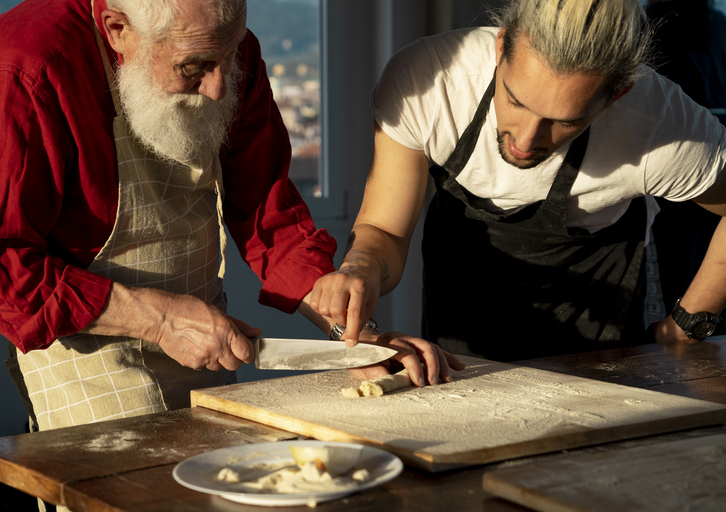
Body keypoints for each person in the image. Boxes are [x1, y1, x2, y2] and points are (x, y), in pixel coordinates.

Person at [0, 0, 459, 433]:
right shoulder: (23, 69)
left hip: (203, 342)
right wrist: (158, 319)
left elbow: (267, 213)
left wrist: (355, 339)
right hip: (86, 364)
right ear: (118, 30)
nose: (221, 87)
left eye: (230, 54)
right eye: (194, 67)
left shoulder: (220, 46)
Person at [308, 0, 726, 362]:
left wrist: (688, 324)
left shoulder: (657, 124)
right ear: (501, 45)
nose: (526, 140)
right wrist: (360, 268)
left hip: (602, 357)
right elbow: (384, 229)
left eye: (564, 121)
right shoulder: (430, 82)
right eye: (515, 100)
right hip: (459, 342)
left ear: (617, 94)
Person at [646, 0, 726, 323]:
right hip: (688, 172)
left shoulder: (651, 26)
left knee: (681, 273)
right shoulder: (716, 24)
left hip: (689, 172)